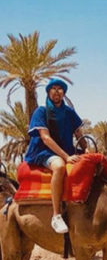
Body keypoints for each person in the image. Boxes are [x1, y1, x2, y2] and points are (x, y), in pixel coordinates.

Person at [24, 78, 84, 234]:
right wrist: (66, 157)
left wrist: (87, 148)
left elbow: (78, 133)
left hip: (67, 150)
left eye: (60, 89)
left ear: (63, 93)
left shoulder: (69, 112)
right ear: (48, 92)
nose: (57, 91)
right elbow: (45, 138)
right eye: (53, 88)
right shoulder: (41, 111)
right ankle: (56, 215)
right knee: (59, 166)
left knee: (91, 164)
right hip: (44, 151)